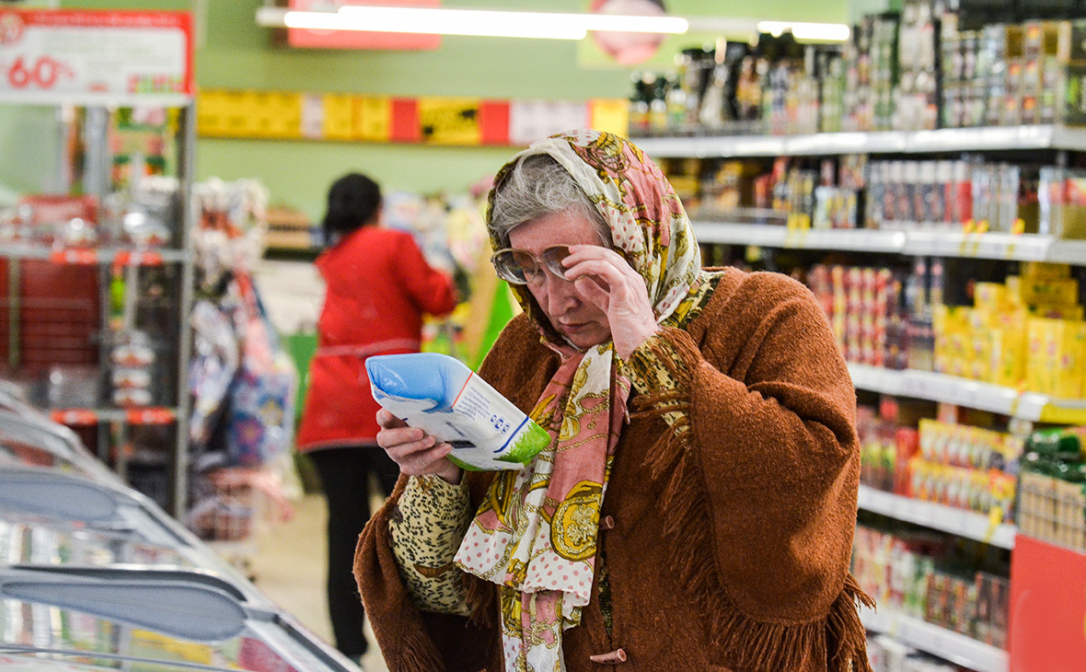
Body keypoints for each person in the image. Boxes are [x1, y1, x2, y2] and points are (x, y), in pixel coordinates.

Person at [354, 131, 873, 671]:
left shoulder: (765, 313)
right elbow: (448, 592)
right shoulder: (525, 351)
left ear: (635, 237)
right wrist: (440, 475)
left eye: (572, 263)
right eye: (529, 269)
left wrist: (653, 352)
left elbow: (812, 471)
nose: (554, 299)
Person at [296, 172, 457, 663]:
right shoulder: (395, 243)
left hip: (328, 409)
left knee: (344, 531)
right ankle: (413, 647)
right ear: (378, 206)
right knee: (411, 528)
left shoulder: (330, 258)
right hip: (391, 405)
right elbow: (440, 299)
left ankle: (346, 649)